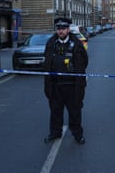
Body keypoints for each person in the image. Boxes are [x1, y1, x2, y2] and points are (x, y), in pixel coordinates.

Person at [43, 17, 88, 145]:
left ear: (68, 29)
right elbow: (46, 62)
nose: (61, 31)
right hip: (55, 85)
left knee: (75, 112)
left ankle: (77, 134)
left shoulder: (77, 44)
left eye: (63, 28)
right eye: (58, 28)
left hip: (72, 86)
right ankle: (55, 132)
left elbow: (84, 61)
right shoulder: (51, 43)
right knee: (55, 112)